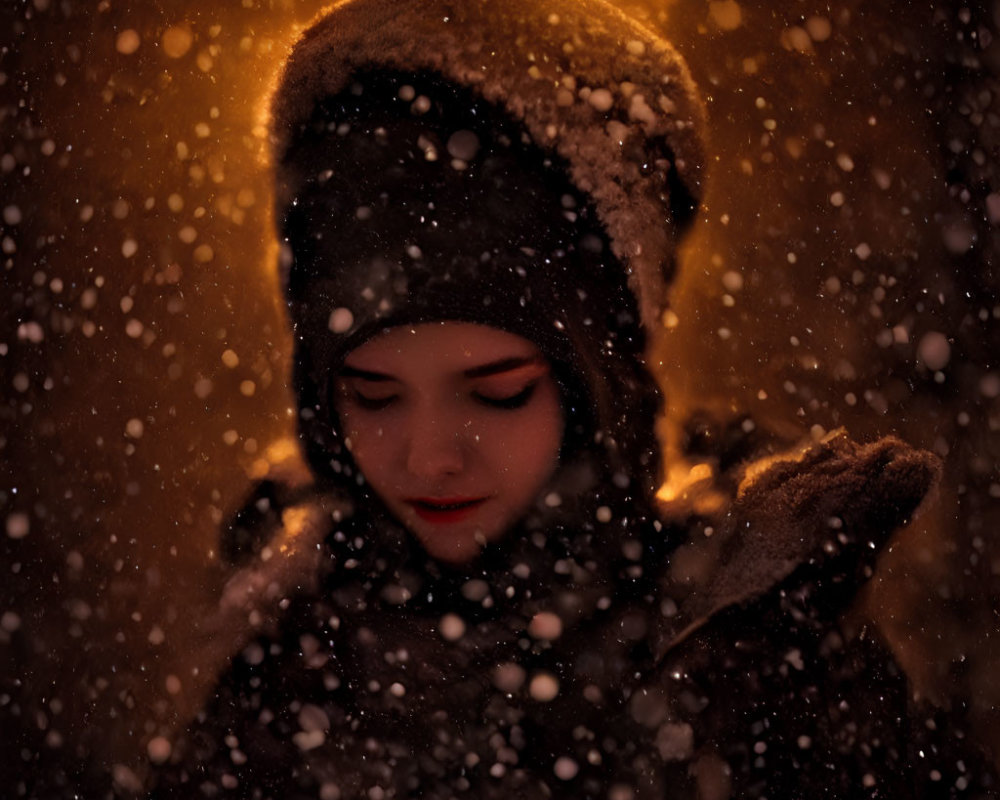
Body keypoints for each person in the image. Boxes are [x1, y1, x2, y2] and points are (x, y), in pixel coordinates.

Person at [149, 0, 994, 797]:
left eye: (499, 394)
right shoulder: (286, 666)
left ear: (601, 392)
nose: (428, 455)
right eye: (373, 396)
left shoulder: (748, 640)